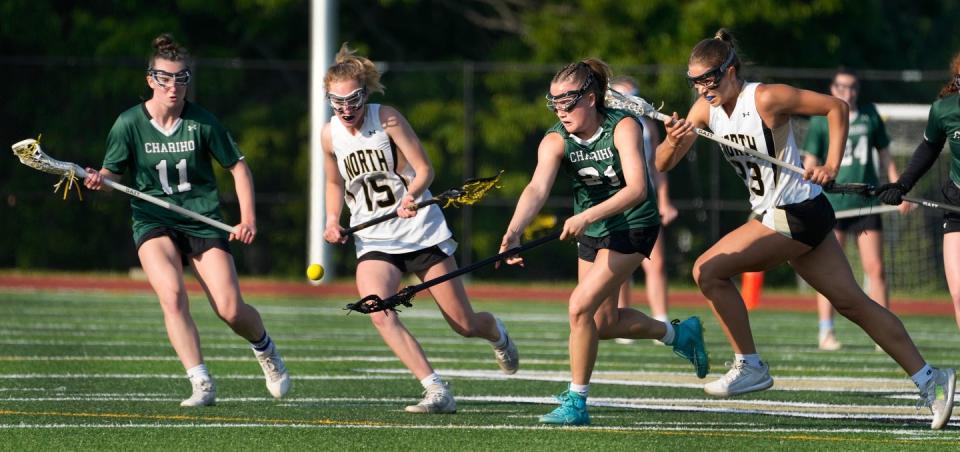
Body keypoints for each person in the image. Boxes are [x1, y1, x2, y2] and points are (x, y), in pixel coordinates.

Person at [656, 28, 955, 429]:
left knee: (707, 270)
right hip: (783, 216)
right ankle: (930, 379)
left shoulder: (764, 97)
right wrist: (674, 141)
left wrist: (830, 164)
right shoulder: (703, 111)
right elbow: (661, 163)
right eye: (695, 82)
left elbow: (836, 107)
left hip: (797, 211)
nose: (703, 89)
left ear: (730, 70)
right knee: (855, 305)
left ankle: (750, 364)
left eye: (709, 79)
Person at [83, 33, 290, 407]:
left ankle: (265, 348)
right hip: (153, 221)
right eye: (164, 78)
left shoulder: (203, 122)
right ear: (150, 79)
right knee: (173, 296)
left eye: (181, 78)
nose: (173, 86)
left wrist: (248, 219)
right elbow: (112, 176)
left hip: (202, 220)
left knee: (230, 309)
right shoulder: (128, 123)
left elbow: (238, 168)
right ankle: (201, 382)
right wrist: (101, 180)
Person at [498, 58, 708, 426]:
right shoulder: (555, 139)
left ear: (591, 98)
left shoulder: (623, 126)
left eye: (568, 101)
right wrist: (514, 231)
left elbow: (638, 189)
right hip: (595, 233)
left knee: (579, 307)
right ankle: (679, 333)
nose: (561, 111)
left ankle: (577, 402)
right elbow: (536, 188)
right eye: (555, 102)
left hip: (633, 226)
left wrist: (586, 216)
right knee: (604, 323)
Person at [321, 43, 519, 414]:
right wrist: (333, 220)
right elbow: (335, 184)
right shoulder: (329, 135)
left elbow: (425, 169)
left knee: (463, 323)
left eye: (353, 100)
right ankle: (436, 390)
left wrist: (411, 195)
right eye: (338, 102)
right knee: (376, 308)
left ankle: (496, 332)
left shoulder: (388, 119)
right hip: (374, 238)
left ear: (365, 93)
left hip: (421, 232)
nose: (347, 109)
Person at [803, 68, 906, 351]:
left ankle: (884, 334)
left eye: (852, 87)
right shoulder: (822, 120)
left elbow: (885, 155)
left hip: (865, 203)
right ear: (833, 87)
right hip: (832, 204)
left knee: (876, 268)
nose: (846, 92)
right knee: (828, 272)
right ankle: (826, 331)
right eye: (841, 86)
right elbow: (810, 160)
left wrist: (898, 188)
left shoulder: (870, 115)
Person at [877, 51, 960, 333]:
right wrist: (902, 185)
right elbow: (928, 148)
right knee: (959, 294)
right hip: (957, 202)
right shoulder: (944, 110)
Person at [609, 76, 678, 344]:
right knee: (618, 264)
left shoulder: (647, 126)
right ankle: (621, 319)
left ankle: (661, 319)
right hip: (616, 199)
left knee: (656, 261)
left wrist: (664, 200)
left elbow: (656, 167)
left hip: (643, 199)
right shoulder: (607, 126)